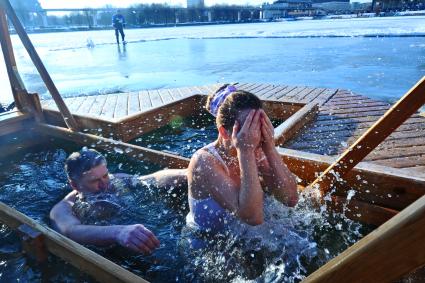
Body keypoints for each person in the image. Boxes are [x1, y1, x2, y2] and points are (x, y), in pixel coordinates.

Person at [186, 85, 298, 235]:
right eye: (248, 127)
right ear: (224, 132)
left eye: (258, 125)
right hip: (207, 241)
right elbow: (253, 218)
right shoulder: (204, 160)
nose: (255, 135)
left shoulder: (256, 147)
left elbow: (290, 199)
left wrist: (270, 146)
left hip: (241, 236)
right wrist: (245, 151)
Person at [50, 148, 187, 254]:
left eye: (105, 176)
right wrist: (118, 232)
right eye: (95, 181)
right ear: (74, 185)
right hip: (117, 252)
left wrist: (187, 173)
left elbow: (149, 179)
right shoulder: (63, 208)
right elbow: (72, 231)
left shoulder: (118, 180)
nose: (104, 184)